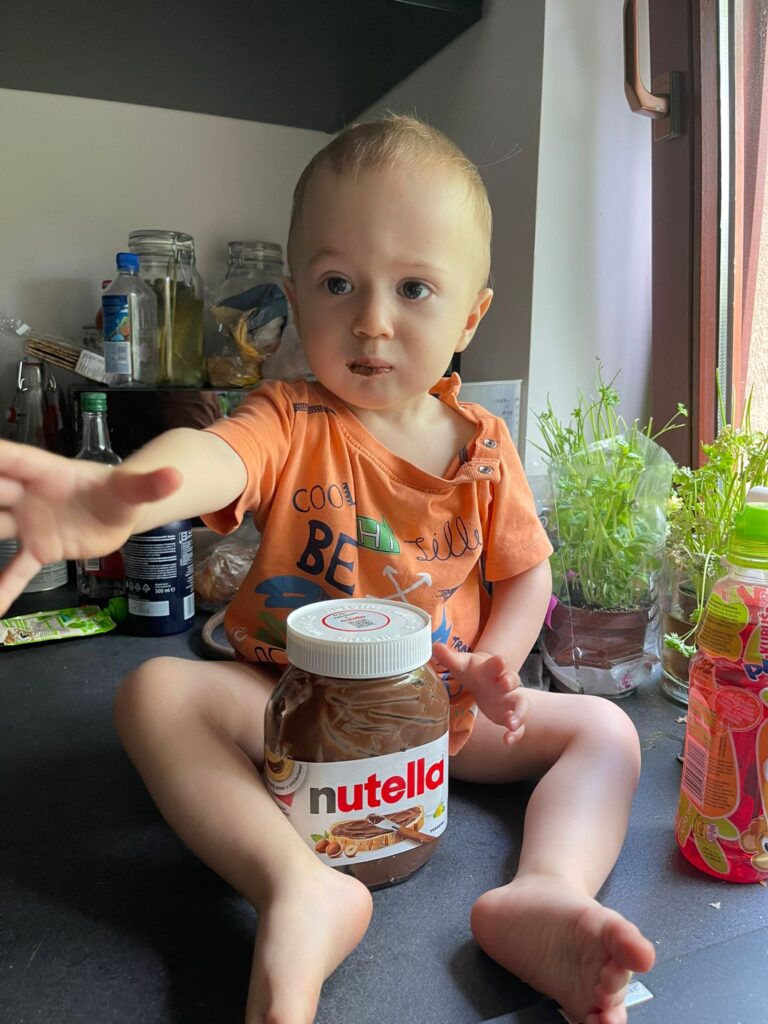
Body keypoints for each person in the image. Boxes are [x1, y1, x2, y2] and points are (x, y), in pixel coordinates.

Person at [0, 114, 655, 1024]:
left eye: (414, 288)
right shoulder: (290, 415)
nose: (372, 320)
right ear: (295, 300)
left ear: (471, 315)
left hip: (441, 715)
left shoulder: (485, 447)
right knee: (155, 694)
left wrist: (491, 665)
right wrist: (128, 493)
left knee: (607, 733)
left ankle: (546, 891)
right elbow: (217, 456)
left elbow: (524, 576)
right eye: (338, 283)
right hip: (291, 715)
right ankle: (297, 886)